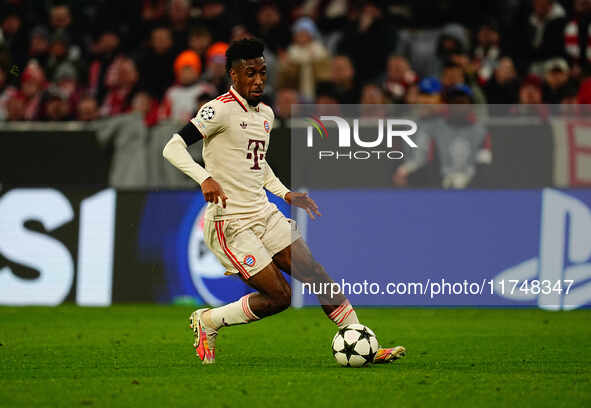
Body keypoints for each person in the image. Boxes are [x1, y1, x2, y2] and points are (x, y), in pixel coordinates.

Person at [162, 38, 405, 365]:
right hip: (230, 223)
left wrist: (285, 193)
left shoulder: (265, 114)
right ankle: (209, 321)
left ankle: (364, 344)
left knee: (318, 275)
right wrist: (204, 177)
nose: (259, 80)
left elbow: (257, 163)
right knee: (280, 297)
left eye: (262, 73)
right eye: (250, 73)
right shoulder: (217, 109)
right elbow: (173, 147)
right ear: (233, 75)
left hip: (264, 212)